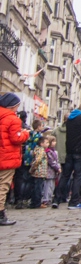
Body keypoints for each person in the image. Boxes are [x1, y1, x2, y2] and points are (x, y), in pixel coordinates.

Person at [52, 103, 81, 210]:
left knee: (65, 176)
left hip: (70, 151)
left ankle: (56, 199)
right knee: (78, 176)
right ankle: (74, 201)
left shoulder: (70, 119)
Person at [0, 93, 29, 225]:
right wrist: (25, 134)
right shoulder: (13, 119)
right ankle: (0, 214)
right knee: (3, 186)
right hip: (7, 157)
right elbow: (16, 138)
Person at [29, 134, 49, 208]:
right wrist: (32, 169)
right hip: (39, 172)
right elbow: (37, 160)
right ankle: (37, 203)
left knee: (36, 187)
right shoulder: (40, 150)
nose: (48, 144)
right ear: (41, 143)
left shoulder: (38, 149)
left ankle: (35, 202)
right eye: (46, 142)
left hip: (38, 172)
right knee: (38, 188)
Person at [43, 135, 61, 206]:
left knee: (52, 185)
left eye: (55, 141)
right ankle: (46, 199)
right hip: (49, 171)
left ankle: (49, 198)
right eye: (53, 141)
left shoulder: (54, 151)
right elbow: (51, 162)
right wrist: (57, 168)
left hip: (54, 172)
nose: (54, 143)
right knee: (48, 186)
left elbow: (57, 160)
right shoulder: (48, 152)